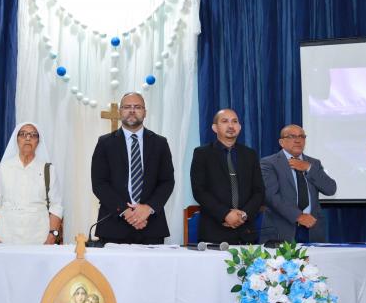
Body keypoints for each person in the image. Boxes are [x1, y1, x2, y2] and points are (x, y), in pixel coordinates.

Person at [91, 92, 175, 244]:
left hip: (151, 225)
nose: (132, 110)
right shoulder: (105, 143)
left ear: (145, 112)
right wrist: (126, 211)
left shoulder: (160, 143)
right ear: (120, 112)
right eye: (127, 107)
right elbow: (99, 184)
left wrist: (148, 208)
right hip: (113, 226)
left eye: (137, 107)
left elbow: (167, 181)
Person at [190, 109, 265, 244]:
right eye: (225, 121)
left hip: (246, 231)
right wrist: (225, 214)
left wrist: (243, 214)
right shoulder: (202, 153)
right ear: (214, 128)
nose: (231, 126)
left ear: (240, 127)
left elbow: (259, 191)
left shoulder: (250, 154)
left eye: (234, 121)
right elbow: (199, 191)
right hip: (214, 232)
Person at [0, 122, 63, 244]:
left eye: (33, 135)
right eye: (23, 134)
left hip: (39, 238)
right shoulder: (2, 168)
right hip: (5, 237)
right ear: (17, 140)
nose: (28, 138)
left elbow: (56, 206)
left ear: (38, 141)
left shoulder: (48, 170)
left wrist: (51, 237)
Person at [260, 124, 337, 243]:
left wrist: (309, 168)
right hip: (281, 230)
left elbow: (330, 189)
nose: (298, 140)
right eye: (292, 136)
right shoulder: (269, 163)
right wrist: (299, 216)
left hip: (312, 229)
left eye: (302, 136)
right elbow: (271, 196)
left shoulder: (313, 163)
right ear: (281, 142)